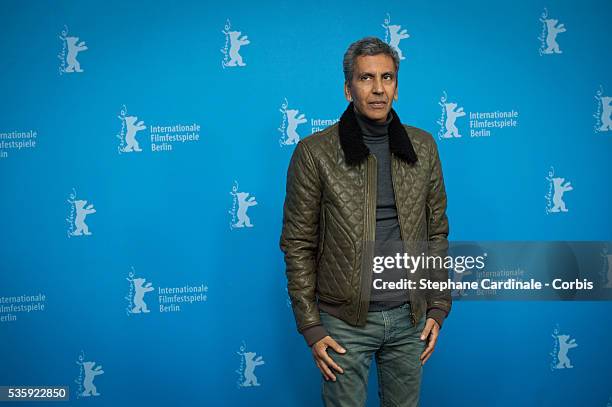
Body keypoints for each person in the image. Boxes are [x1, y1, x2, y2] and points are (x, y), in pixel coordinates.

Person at [279, 36, 452, 407]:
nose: (377, 89)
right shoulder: (315, 153)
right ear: (348, 88)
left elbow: (436, 231)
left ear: (396, 86)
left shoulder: (423, 147)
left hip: (410, 319)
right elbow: (297, 243)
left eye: (386, 77)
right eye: (365, 78)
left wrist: (437, 306)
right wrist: (311, 326)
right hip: (344, 323)